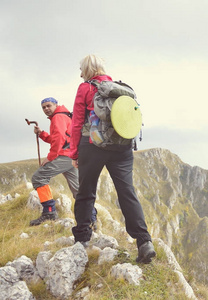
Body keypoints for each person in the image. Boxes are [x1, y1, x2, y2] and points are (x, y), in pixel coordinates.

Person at [70, 54, 156, 264]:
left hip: (92, 146)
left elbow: (76, 123)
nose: (80, 74)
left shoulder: (86, 88)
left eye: (82, 70)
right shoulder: (118, 89)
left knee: (86, 192)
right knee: (127, 192)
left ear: (88, 71)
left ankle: (82, 240)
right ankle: (144, 242)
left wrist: (74, 153)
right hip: (122, 147)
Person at [30, 97, 97, 227]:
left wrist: (50, 157)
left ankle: (49, 212)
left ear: (56, 105)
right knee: (78, 190)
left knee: (38, 178)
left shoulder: (58, 117)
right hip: (73, 155)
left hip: (65, 156)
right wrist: (42, 134)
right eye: (43, 107)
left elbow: (59, 139)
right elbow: (60, 138)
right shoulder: (64, 115)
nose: (46, 109)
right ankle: (91, 217)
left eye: (48, 105)